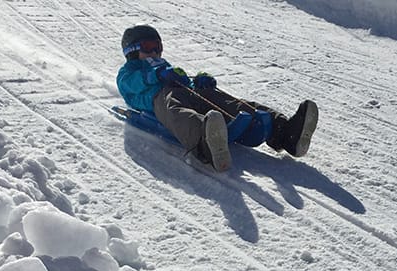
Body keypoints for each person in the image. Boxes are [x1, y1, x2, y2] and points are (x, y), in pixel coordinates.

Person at [116, 25, 318, 172]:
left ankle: (285, 132)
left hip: (187, 92)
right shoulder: (128, 71)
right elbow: (129, 85)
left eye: (157, 46)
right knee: (175, 109)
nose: (154, 51)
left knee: (224, 100)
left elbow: (186, 80)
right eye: (148, 46)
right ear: (132, 51)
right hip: (158, 100)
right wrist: (156, 75)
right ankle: (205, 141)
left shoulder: (165, 64)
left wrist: (199, 82)